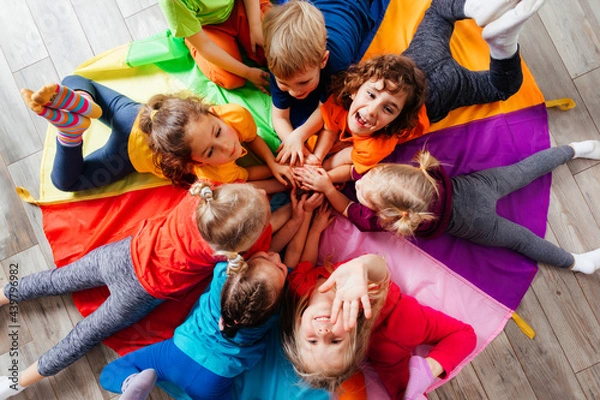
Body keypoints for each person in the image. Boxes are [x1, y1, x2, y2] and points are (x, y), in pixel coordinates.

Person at [0, 182, 272, 399]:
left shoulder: (202, 195)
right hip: (139, 293)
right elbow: (257, 248)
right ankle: (19, 381)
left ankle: (4, 294)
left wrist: (256, 193)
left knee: (55, 280)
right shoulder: (229, 257)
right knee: (84, 335)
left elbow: (242, 201)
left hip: (120, 256)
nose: (263, 193)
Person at [97, 189, 327, 400]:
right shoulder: (274, 313)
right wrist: (303, 218)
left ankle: (130, 383)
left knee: (112, 372)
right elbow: (294, 255)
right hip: (214, 379)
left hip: (178, 352)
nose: (276, 256)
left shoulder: (223, 277)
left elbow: (266, 258)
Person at [296, 0, 545, 182]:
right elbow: (329, 126)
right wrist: (316, 158)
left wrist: (322, 173)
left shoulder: (376, 144)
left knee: (500, 88)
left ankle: (504, 45)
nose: (372, 112)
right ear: (354, 89)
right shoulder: (341, 102)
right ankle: (479, 14)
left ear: (399, 118)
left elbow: (346, 165)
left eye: (387, 109)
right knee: (438, 12)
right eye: (371, 96)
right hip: (413, 64)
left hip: (440, 91)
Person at [295, 141, 600, 275]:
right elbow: (358, 174)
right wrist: (329, 178)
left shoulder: (393, 220)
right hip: (480, 187)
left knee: (521, 239)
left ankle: (574, 262)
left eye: (364, 194)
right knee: (522, 172)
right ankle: (574, 149)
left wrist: (326, 188)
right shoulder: (399, 179)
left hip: (479, 222)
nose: (359, 185)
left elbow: (352, 212)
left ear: (391, 216)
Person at [20, 77, 293, 192]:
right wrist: (278, 179)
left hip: (133, 114)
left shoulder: (234, 115)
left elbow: (250, 137)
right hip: (126, 154)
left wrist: (273, 164)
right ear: (195, 162)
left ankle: (81, 100)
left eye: (218, 131)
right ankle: (70, 135)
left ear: (213, 112)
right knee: (66, 183)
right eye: (211, 152)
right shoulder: (212, 173)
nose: (228, 146)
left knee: (77, 80)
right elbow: (245, 179)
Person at [280, 253, 477, 399]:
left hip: (397, 330)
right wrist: (362, 267)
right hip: (401, 325)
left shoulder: (307, 286)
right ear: (354, 338)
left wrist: (360, 268)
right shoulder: (357, 297)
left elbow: (377, 266)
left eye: (313, 340)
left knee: (405, 392)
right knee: (465, 334)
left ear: (297, 328)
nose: (323, 332)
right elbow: (380, 269)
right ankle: (427, 370)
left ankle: (427, 371)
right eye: (334, 340)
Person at [262, 0, 374, 166]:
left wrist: (299, 135)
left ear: (323, 60)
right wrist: (293, 142)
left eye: (303, 82)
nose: (293, 92)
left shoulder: (337, 63)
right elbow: (279, 117)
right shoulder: (279, 64)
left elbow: (326, 111)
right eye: (284, 83)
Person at [158, 0, 272, 93]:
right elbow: (205, 46)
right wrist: (247, 72)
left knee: (274, 47)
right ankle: (189, 36)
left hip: (238, 5)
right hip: (206, 28)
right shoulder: (172, 2)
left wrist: (255, 25)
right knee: (231, 79)